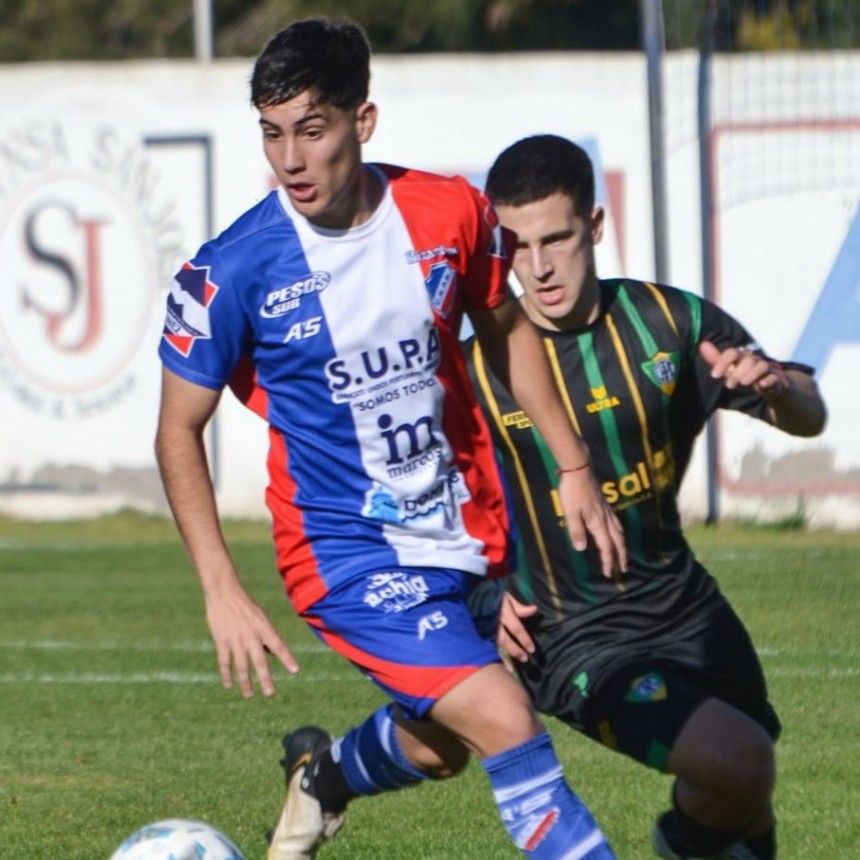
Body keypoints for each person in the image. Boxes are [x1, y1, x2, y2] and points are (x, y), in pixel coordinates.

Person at [155, 20, 627, 860]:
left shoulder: (449, 212)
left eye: (312, 129)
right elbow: (176, 431)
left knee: (442, 746)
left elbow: (507, 331)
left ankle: (324, 779)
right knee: (506, 718)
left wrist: (573, 463)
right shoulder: (234, 269)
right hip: (344, 550)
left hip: (468, 525)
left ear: (362, 121)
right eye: (272, 133)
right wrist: (219, 588)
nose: (290, 159)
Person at [465, 134, 827, 860]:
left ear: (595, 226)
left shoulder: (667, 322)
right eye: (518, 247)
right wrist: (478, 598)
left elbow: (809, 415)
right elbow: (426, 500)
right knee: (741, 763)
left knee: (745, 791)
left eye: (556, 239)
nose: (538, 267)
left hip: (684, 604)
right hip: (569, 632)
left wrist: (776, 387)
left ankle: (684, 844)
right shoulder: (476, 363)